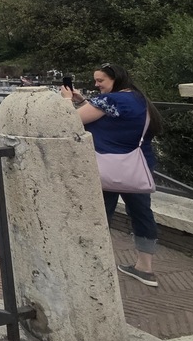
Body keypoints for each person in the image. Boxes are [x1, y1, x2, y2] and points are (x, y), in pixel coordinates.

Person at [62, 62, 162, 287]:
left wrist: (66, 101)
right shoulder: (138, 98)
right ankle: (145, 267)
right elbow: (112, 117)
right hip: (136, 167)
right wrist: (82, 101)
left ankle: (95, 266)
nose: (97, 85)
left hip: (105, 167)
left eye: (101, 81)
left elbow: (70, 121)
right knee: (141, 213)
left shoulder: (111, 100)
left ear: (116, 79)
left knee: (99, 214)